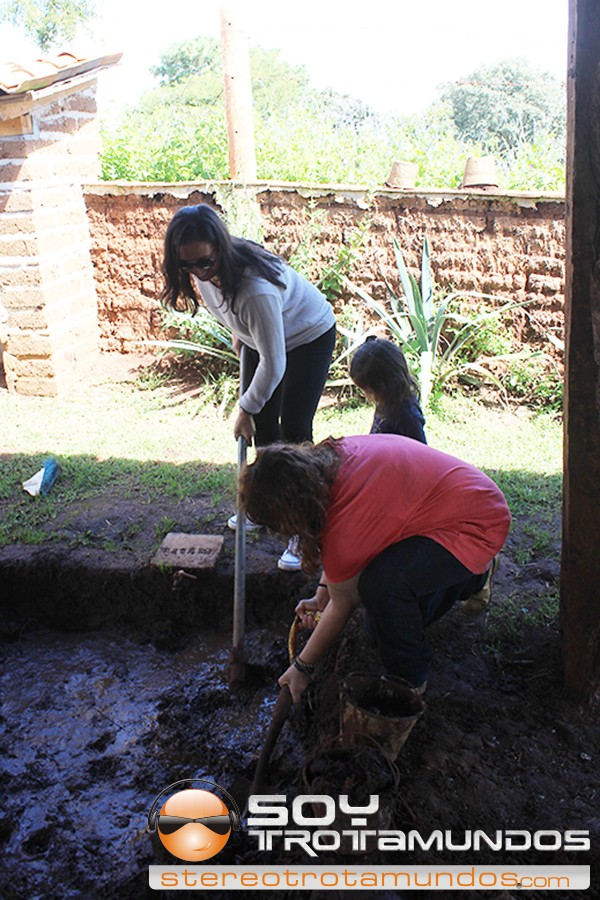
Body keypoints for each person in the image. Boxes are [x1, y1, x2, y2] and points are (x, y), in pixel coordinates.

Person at [238, 435, 511, 704]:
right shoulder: (330, 464)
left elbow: (343, 602)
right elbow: (338, 544)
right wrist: (322, 595)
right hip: (453, 502)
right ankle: (475, 576)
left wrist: (302, 667)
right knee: (380, 626)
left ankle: (410, 680)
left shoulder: (348, 525)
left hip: (476, 521)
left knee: (382, 591)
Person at [161, 204, 336, 572]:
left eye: (205, 263)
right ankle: (266, 505)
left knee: (294, 429)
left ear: (220, 248)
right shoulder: (204, 269)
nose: (199, 273)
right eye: (187, 266)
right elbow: (232, 312)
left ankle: (303, 527)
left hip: (307, 334)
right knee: (265, 428)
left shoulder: (256, 289)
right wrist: (240, 332)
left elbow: (275, 363)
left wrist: (245, 409)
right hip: (265, 336)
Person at [350, 336, 426, 443]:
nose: (367, 395)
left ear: (386, 386)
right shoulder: (386, 400)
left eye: (370, 391)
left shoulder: (408, 416)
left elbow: (420, 450)